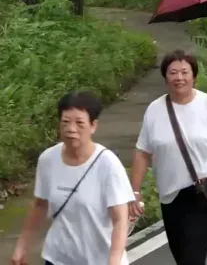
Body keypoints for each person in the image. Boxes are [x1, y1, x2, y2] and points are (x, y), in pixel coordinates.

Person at [129, 51, 207, 265]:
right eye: (173, 72)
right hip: (170, 194)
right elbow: (142, 152)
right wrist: (135, 191)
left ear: (193, 76)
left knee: (193, 257)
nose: (179, 77)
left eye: (185, 72)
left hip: (202, 192)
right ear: (165, 77)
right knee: (180, 253)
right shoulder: (155, 110)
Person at [12, 92, 133, 265]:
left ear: (93, 126)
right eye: (65, 122)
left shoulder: (108, 164)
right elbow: (39, 206)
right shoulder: (48, 159)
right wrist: (21, 246)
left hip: (99, 260)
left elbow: (120, 219)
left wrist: (114, 259)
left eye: (79, 123)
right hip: (58, 258)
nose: (71, 129)